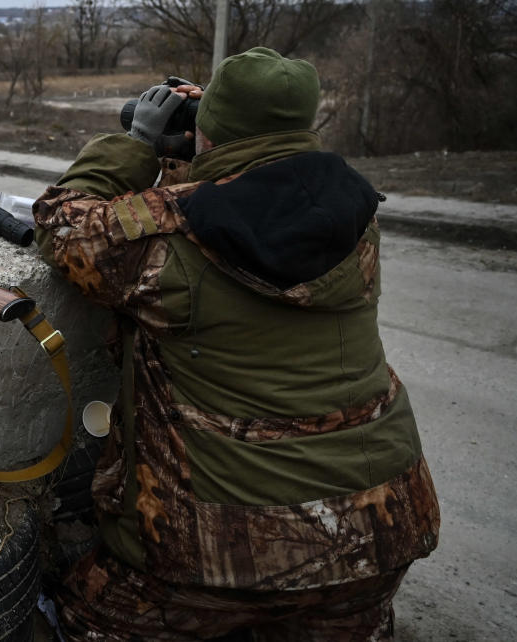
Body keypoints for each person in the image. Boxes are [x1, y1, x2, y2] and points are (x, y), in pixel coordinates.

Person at [33, 46, 439, 641]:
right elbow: (254, 198)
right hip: (377, 535)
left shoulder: (172, 235)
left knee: (77, 615)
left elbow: (64, 224)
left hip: (216, 559)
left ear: (214, 135)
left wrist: (141, 145)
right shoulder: (354, 212)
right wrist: (212, 145)